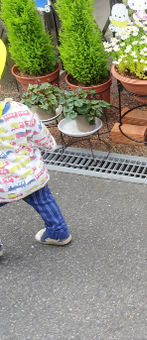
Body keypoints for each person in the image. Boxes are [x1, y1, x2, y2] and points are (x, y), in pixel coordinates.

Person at [0, 39, 71, 257]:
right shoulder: (19, 111)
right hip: (30, 175)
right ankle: (58, 232)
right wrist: (50, 145)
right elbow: (42, 136)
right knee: (44, 200)